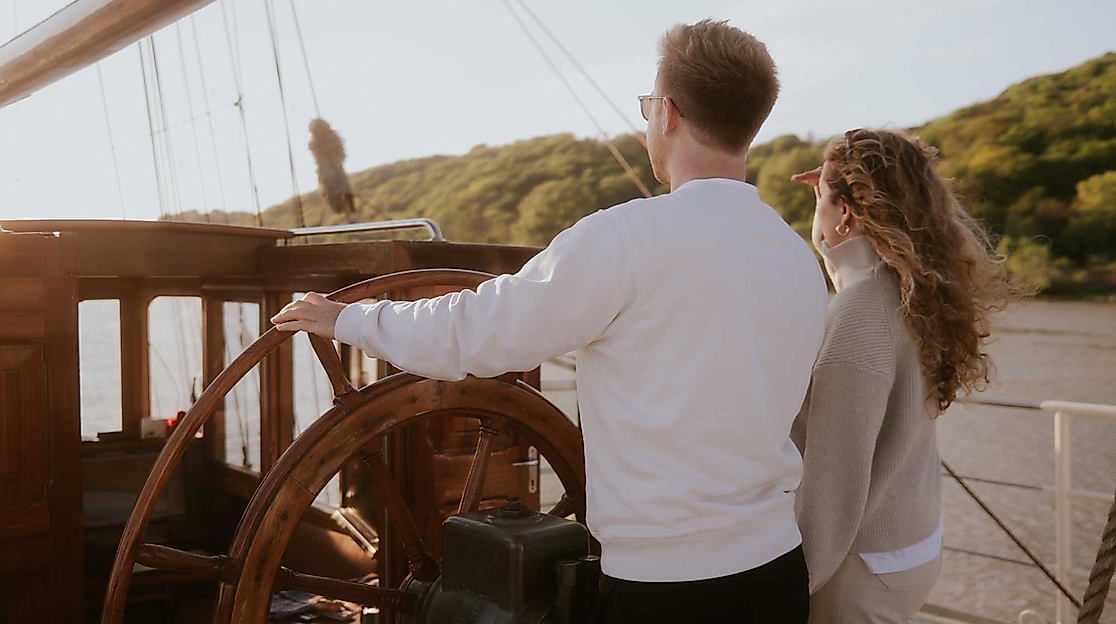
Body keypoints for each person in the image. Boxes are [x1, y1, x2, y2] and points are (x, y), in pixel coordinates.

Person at [272, 20, 828, 623]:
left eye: (648, 106)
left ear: (667, 114)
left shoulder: (623, 239)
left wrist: (349, 320)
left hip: (663, 589)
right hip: (776, 574)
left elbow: (479, 330)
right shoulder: (796, 258)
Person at [789, 128, 1011, 623]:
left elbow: (835, 480)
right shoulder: (914, 293)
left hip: (856, 571)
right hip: (910, 549)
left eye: (822, 200)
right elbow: (854, 277)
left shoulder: (860, 311)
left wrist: (789, 588)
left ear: (846, 213)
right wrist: (835, 215)